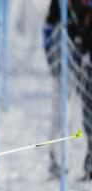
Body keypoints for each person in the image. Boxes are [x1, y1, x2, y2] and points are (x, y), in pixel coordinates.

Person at [43, 0, 92, 181]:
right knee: (62, 115)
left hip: (87, 64)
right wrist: (54, 60)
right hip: (65, 66)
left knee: (89, 118)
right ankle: (58, 163)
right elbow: (48, 28)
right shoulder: (60, 4)